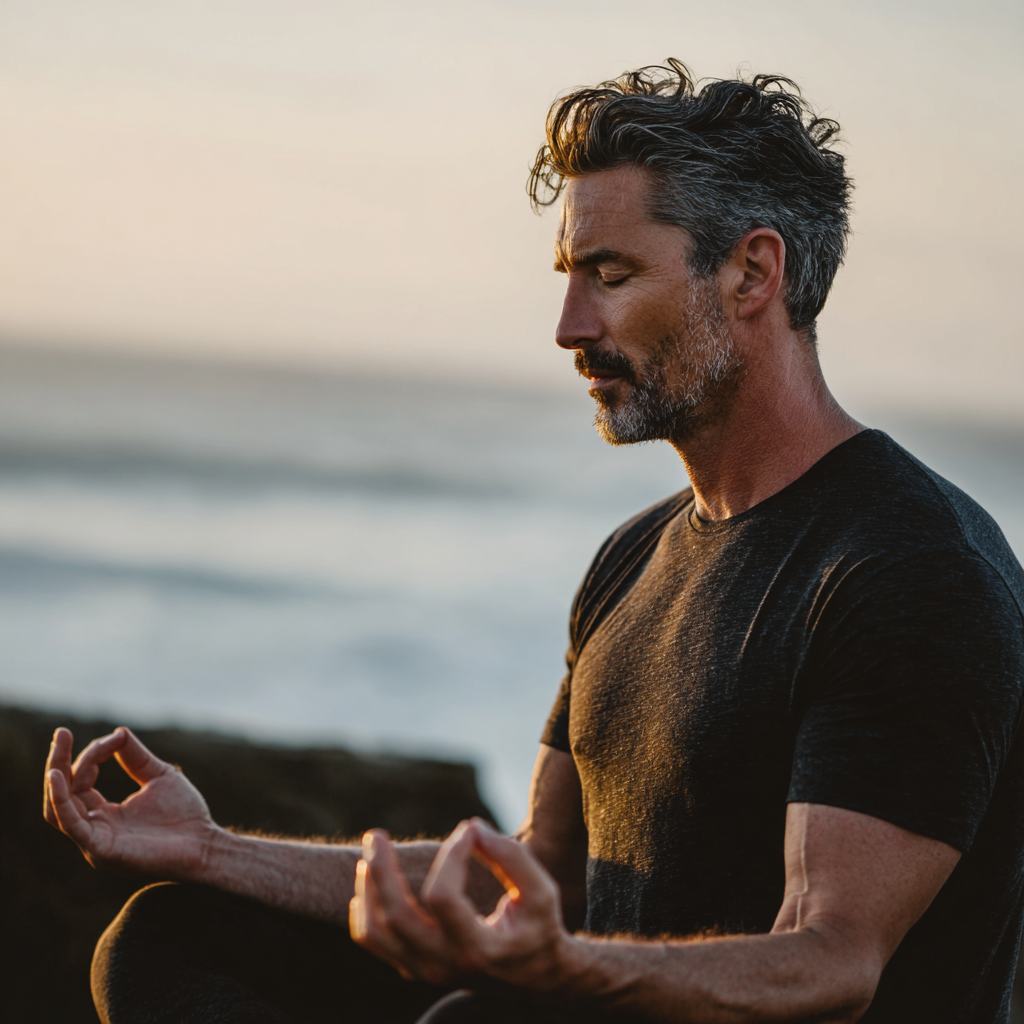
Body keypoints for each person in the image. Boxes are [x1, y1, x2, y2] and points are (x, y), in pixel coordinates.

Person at [43, 60, 1024, 1024]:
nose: (568, 326)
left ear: (751, 273)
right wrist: (209, 849)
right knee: (170, 936)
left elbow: (831, 962)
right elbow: (540, 869)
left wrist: (564, 972)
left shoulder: (912, 571)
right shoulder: (634, 557)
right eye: (569, 278)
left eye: (611, 275)